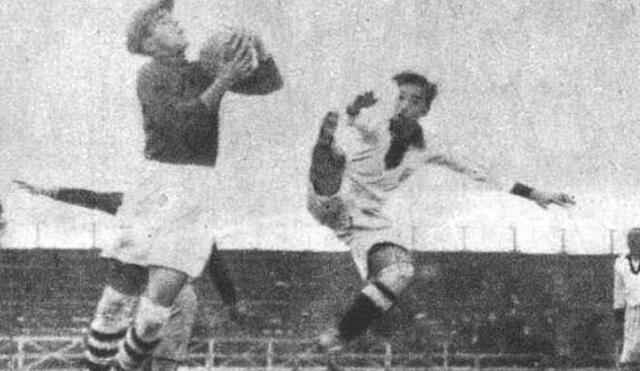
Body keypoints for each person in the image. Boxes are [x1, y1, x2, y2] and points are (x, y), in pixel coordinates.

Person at [307, 71, 575, 370]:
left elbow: (480, 170)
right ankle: (324, 151)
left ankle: (329, 344)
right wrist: (353, 109)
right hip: (335, 199)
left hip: (365, 222)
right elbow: (354, 119)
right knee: (333, 160)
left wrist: (534, 192)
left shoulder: (429, 147)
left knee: (400, 271)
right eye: (401, 97)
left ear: (424, 110)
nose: (404, 105)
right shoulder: (378, 127)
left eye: (414, 100)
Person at [82, 0, 282, 369]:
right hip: (159, 182)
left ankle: (120, 368)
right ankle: (94, 366)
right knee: (117, 299)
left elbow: (271, 83)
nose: (173, 20)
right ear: (147, 42)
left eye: (170, 14)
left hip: (196, 188)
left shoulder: (202, 71)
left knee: (157, 310)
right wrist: (224, 79)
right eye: (160, 20)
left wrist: (259, 49)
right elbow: (179, 127)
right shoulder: (151, 74)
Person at [13, 179, 248, 370]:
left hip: (173, 295)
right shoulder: (142, 204)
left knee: (163, 353)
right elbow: (94, 198)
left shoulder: (195, 223)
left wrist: (232, 303)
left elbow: (217, 266)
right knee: (124, 343)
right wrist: (52, 191)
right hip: (139, 286)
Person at [614, 228, 640, 371]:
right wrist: (618, 313)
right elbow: (618, 291)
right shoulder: (621, 262)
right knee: (630, 352)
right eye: (632, 240)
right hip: (632, 312)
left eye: (638, 239)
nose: (635, 243)